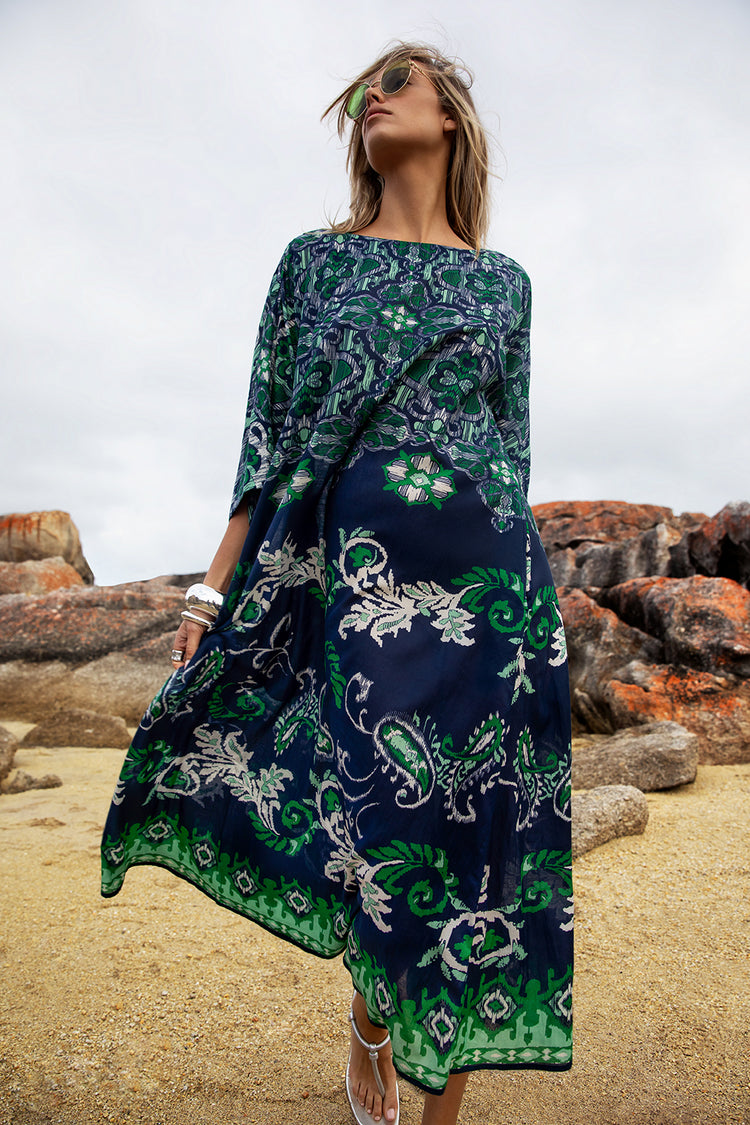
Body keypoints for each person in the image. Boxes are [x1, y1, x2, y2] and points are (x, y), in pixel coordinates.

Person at [101, 42, 573, 1125]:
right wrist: (211, 592)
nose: (372, 100)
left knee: (474, 831)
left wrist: (528, 602)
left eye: (396, 84)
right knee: (384, 809)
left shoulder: (505, 285)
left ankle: (440, 1104)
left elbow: (513, 452)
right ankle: (373, 1015)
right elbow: (266, 436)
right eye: (362, 92)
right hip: (360, 580)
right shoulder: (314, 264)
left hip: (491, 587)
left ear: (450, 118)